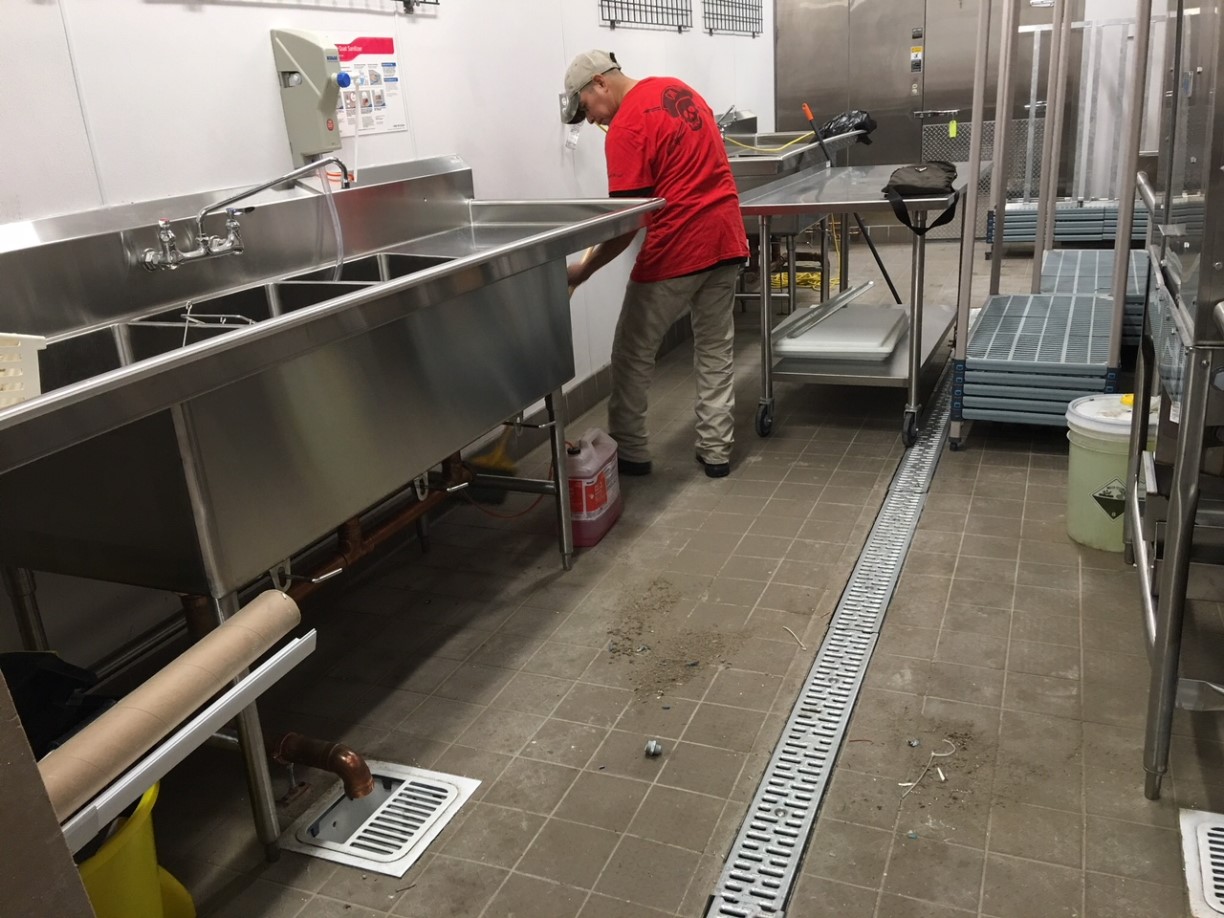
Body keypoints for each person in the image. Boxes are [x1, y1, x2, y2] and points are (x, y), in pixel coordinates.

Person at [561, 50, 748, 479]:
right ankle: (716, 452)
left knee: (632, 353)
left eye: (586, 108)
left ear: (599, 83)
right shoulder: (680, 90)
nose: (590, 119)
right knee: (715, 349)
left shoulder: (626, 126)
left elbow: (628, 224)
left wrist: (582, 271)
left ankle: (629, 450)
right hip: (726, 238)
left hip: (678, 247)